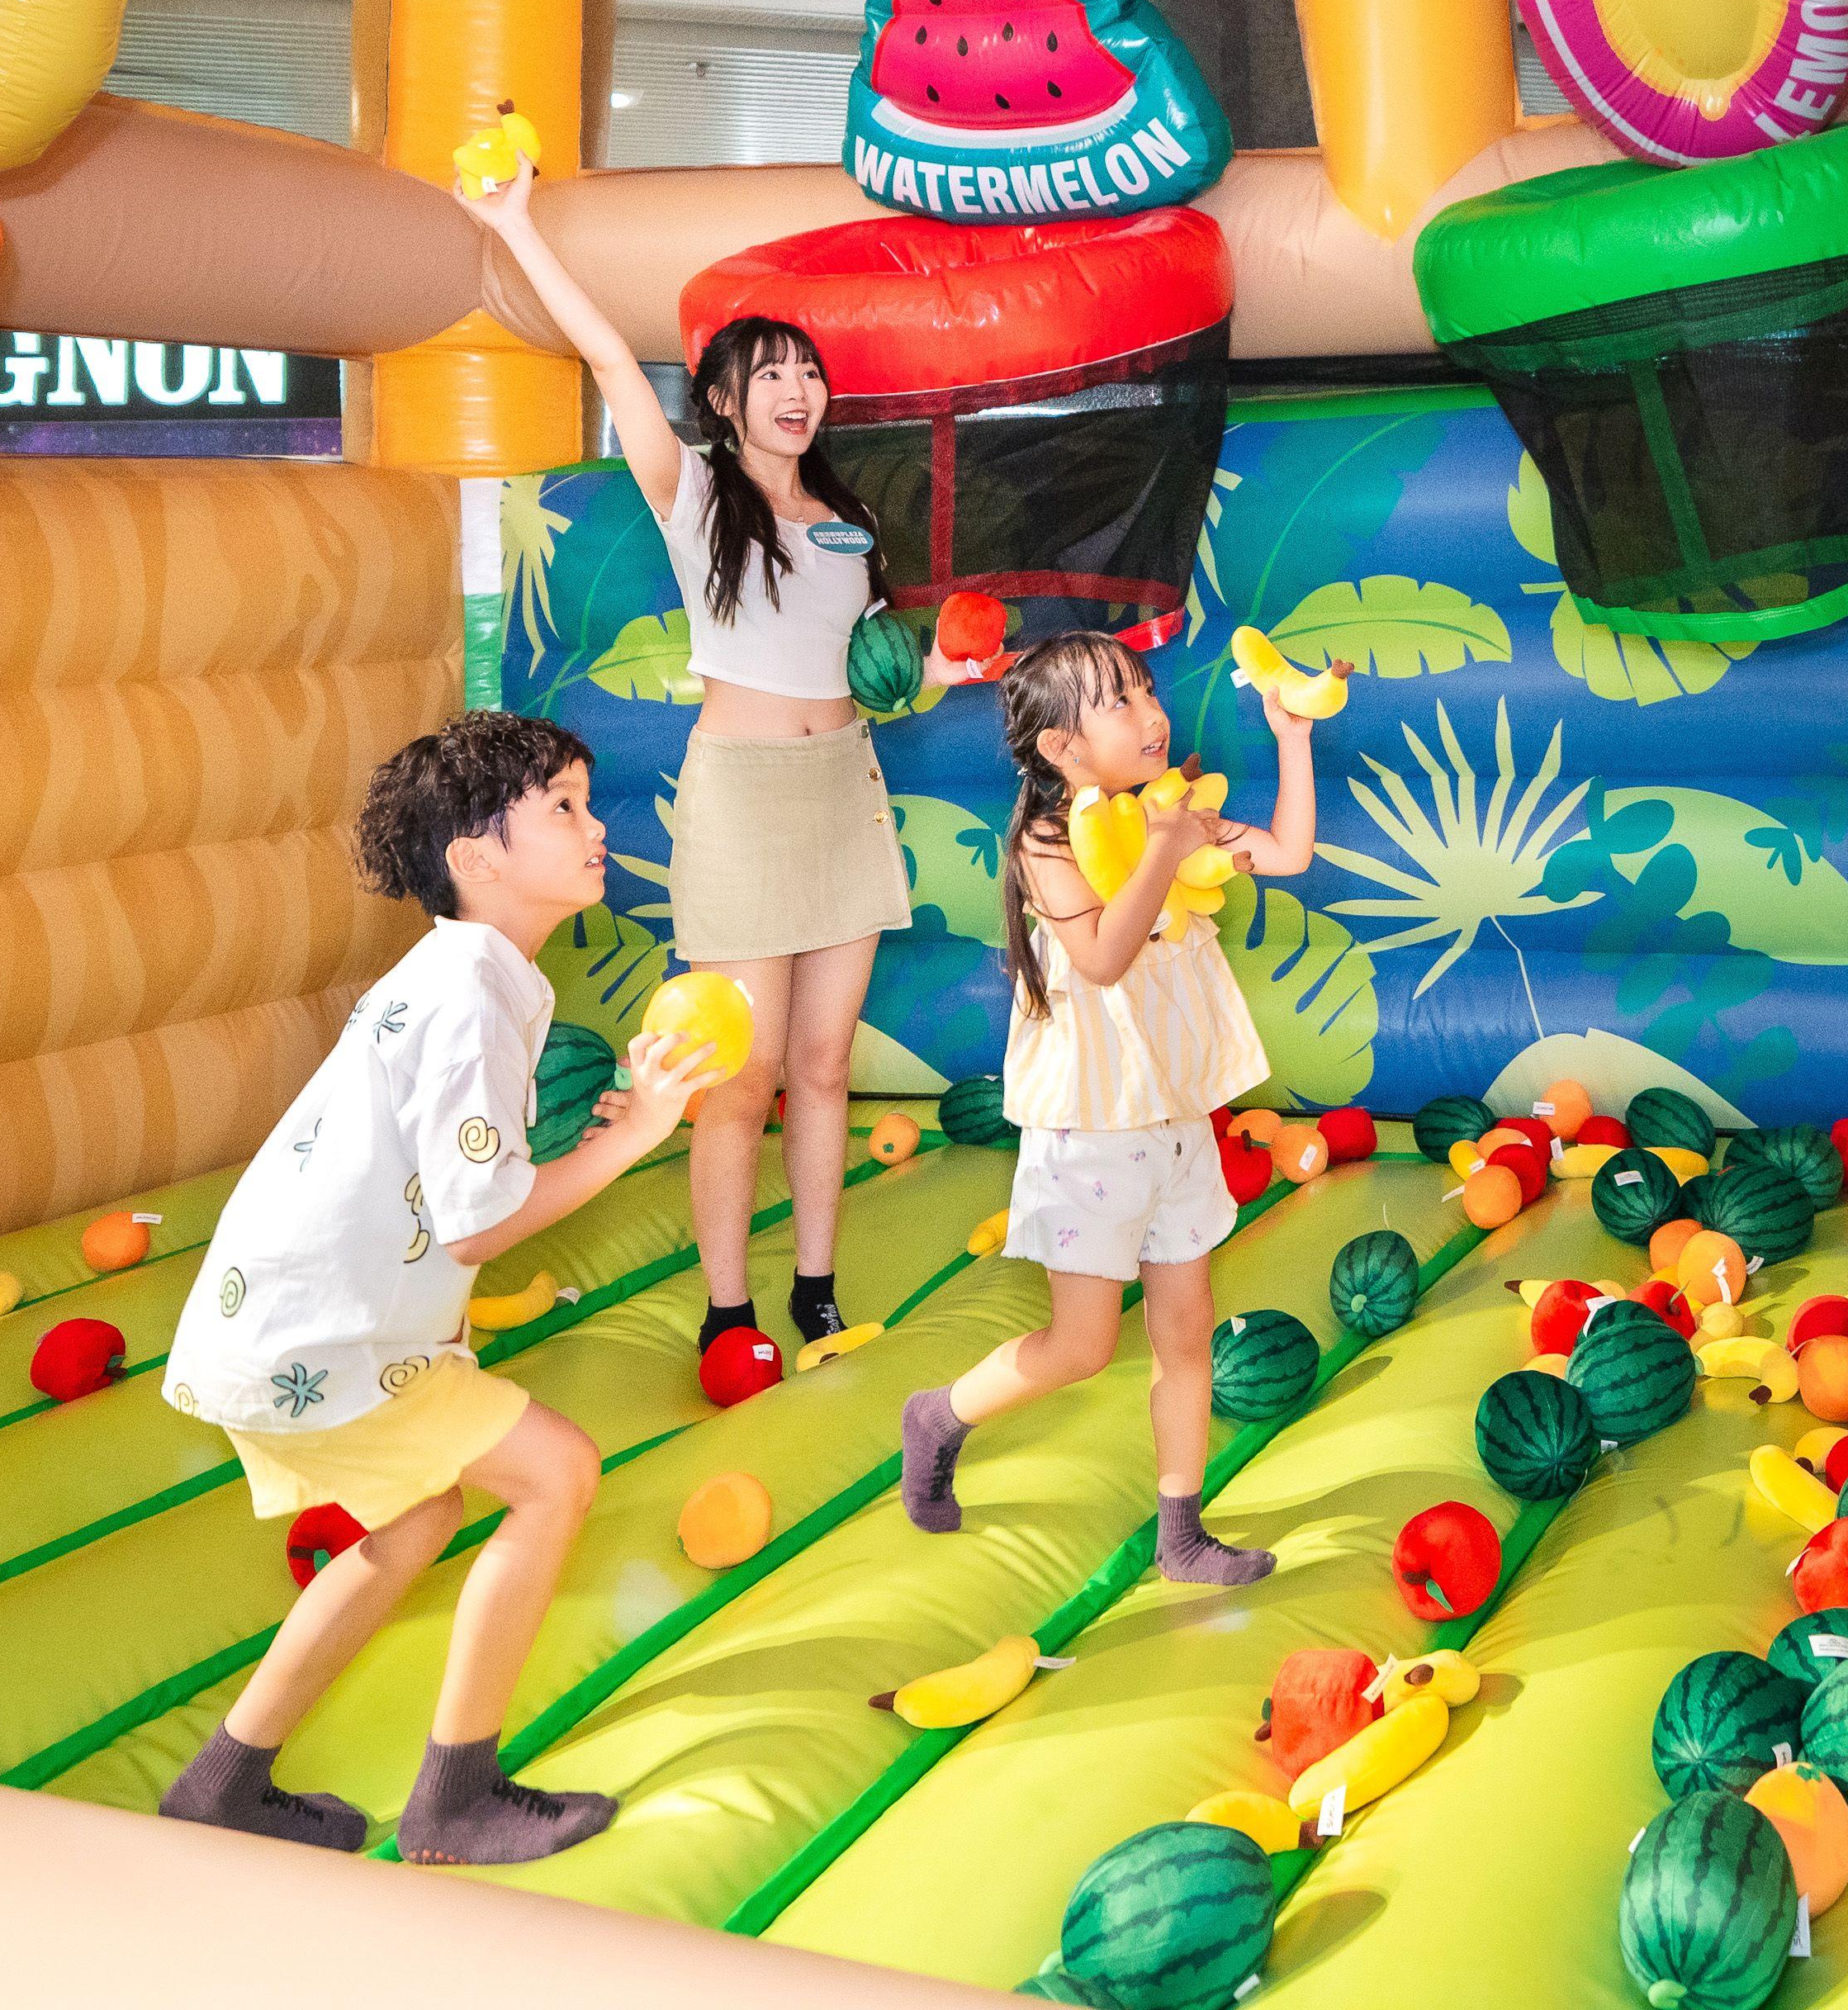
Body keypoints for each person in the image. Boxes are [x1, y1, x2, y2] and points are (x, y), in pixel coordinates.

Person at [154, 711, 719, 1866]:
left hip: (285, 1327)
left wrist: (593, 1150)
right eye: (560, 806)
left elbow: (423, 1188)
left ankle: (222, 1783)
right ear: (474, 857)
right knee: (557, 1475)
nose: (595, 825)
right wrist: (636, 1138)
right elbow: (477, 1225)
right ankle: (455, 1800)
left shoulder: (473, 976)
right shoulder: (471, 993)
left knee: (416, 1519)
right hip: (317, 1337)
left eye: (585, 799)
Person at [465, 173, 974, 1371]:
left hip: (844, 790)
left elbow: (869, 677)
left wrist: (943, 670)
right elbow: (607, 358)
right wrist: (513, 224)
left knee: (825, 1065)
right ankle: (729, 1307)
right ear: (723, 401)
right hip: (741, 801)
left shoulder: (850, 519)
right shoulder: (695, 496)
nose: (798, 391)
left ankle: (818, 1289)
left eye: (809, 374)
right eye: (771, 374)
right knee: (741, 1081)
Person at [897, 632, 1328, 1586]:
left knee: (1187, 1329)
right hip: (1089, 1129)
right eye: (1120, 701)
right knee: (1082, 1346)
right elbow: (1099, 957)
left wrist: (1291, 738)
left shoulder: (1166, 813)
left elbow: (1289, 851)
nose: (1152, 713)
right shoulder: (1048, 842)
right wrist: (1166, 848)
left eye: (1147, 690)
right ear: (1060, 747)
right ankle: (939, 1413)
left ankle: (1183, 1534)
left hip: (1174, 1116)